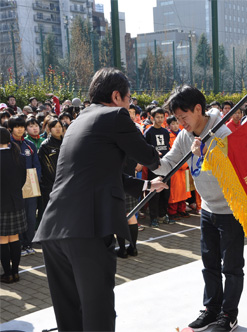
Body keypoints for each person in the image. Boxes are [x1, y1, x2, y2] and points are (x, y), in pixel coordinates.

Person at [32, 68, 167, 332]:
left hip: (55, 231)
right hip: (87, 230)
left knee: (69, 314)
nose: (130, 106)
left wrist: (146, 185)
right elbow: (150, 157)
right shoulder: (115, 115)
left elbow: (102, 173)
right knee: (98, 313)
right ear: (117, 96)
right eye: (129, 100)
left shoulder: (79, 121)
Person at [155, 85, 244, 332]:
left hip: (231, 211)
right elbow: (169, 163)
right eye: (178, 118)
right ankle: (211, 309)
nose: (181, 122)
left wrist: (205, 154)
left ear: (197, 109)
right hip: (207, 209)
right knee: (209, 263)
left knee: (232, 267)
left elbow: (233, 171)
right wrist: (149, 160)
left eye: (184, 117)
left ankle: (229, 315)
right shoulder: (185, 135)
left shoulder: (222, 132)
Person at [9, 116, 41, 257]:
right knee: (17, 216)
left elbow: (37, 165)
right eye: (17, 127)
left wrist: (36, 181)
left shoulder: (30, 145)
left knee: (30, 216)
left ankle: (28, 243)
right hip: (14, 188)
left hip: (30, 185)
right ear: (10, 129)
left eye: (22, 126)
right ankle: (20, 244)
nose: (20, 129)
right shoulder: (7, 145)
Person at [0, 127, 27, 283]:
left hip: (1, 203)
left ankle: (7, 273)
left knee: (3, 240)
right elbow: (23, 180)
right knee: (15, 238)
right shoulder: (19, 156)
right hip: (16, 201)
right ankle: (15, 273)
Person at [143, 107, 172, 226]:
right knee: (154, 192)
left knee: (165, 192)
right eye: (157, 117)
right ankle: (153, 217)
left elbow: (167, 147)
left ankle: (162, 215)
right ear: (152, 118)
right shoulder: (148, 132)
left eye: (162, 117)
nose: (160, 119)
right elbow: (145, 148)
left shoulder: (166, 132)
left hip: (166, 165)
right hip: (154, 166)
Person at [37, 117, 64, 223]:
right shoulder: (45, 146)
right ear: (49, 129)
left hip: (65, 183)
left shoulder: (66, 142)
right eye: (54, 127)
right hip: (50, 185)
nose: (57, 129)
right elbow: (47, 167)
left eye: (59, 126)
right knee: (49, 214)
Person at [166, 115, 191, 221]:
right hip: (175, 168)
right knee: (175, 191)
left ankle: (182, 209)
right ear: (169, 125)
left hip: (184, 167)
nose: (175, 126)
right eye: (173, 124)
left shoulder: (183, 134)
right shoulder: (168, 136)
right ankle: (172, 211)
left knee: (184, 190)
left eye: (176, 123)